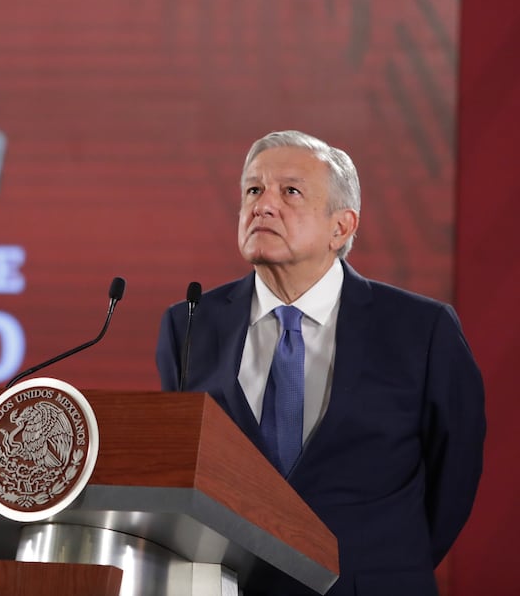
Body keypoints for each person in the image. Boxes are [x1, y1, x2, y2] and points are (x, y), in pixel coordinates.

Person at [155, 130, 485, 595]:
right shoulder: (188, 324)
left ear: (342, 227)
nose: (263, 205)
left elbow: (455, 475)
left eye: (290, 191)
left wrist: (384, 558)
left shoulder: (421, 330)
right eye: (253, 189)